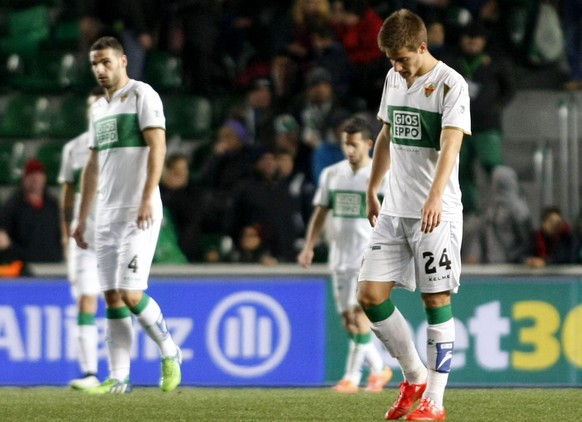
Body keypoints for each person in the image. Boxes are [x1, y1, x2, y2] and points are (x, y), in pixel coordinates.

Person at [356, 9, 471, 420]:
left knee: (435, 298)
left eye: (402, 58)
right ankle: (414, 376)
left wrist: (436, 196)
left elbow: (452, 143)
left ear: (422, 47)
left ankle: (434, 403)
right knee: (369, 295)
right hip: (395, 209)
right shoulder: (393, 78)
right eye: (391, 59)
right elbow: (387, 133)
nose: (397, 66)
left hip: (435, 213)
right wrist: (372, 187)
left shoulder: (451, 84)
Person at [72, 36, 182, 394]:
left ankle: (169, 349)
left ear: (122, 61)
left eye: (105, 62)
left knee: (132, 294)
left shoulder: (142, 95)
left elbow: (159, 145)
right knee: (112, 298)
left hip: (139, 212)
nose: (100, 69)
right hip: (105, 215)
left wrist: (149, 195)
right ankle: (119, 378)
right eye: (94, 64)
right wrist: (82, 217)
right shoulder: (98, 109)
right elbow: (91, 166)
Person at [298, 116, 392, 393]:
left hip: (367, 255)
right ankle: (379, 369)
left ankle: (351, 377)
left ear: (368, 144)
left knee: (358, 315)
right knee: (349, 322)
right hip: (339, 256)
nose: (349, 150)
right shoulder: (332, 174)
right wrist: (309, 245)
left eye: (354, 145)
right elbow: (321, 212)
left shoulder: (380, 176)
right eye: (345, 145)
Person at [443, 21, 516, 219]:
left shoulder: (495, 61)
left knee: (494, 167)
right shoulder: (451, 61)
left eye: (477, 39)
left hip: (486, 125)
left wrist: (497, 107)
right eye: (468, 38)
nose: (472, 42)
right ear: (461, 39)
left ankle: (505, 209)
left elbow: (509, 88)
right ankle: (469, 212)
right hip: (459, 127)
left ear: (484, 41)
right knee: (461, 170)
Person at [58, 87, 105, 390]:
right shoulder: (73, 149)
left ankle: (120, 372)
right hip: (83, 239)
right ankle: (90, 373)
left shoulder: (124, 148)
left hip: (116, 235)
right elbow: (66, 198)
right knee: (86, 302)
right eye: (92, 106)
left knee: (121, 301)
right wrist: (66, 239)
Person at [467, 165, 533, 264]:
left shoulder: (518, 209)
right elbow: (480, 234)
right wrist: (474, 254)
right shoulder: (490, 206)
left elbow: (527, 239)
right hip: (489, 263)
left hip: (512, 265)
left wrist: (522, 258)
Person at [0, 159, 63, 263]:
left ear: (44, 178)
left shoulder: (53, 205)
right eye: (31, 176)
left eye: (38, 175)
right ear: (24, 179)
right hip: (23, 265)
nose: (35, 179)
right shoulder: (12, 206)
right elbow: (4, 237)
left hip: (53, 263)